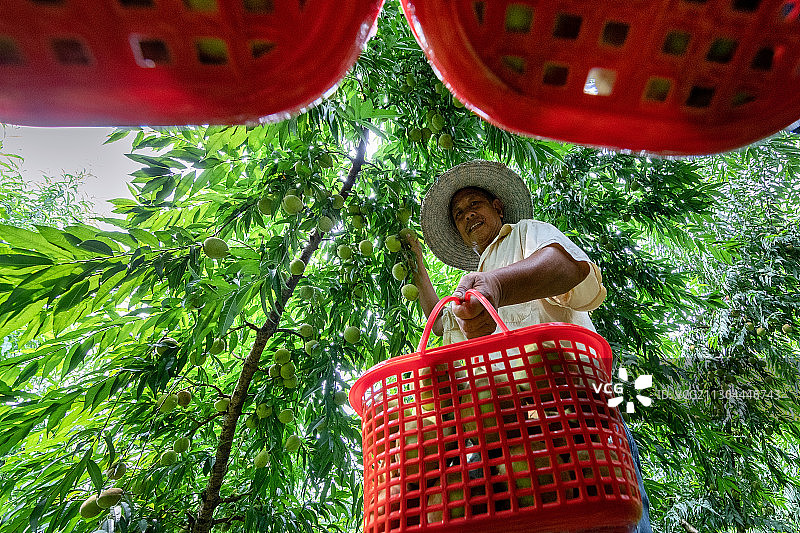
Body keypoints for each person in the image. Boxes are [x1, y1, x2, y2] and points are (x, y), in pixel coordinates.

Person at [405, 160, 653, 533]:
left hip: (573, 419)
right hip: (501, 445)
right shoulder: (465, 286)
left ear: (497, 207)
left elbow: (568, 267)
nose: (468, 215)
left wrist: (498, 287)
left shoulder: (525, 235)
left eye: (474, 204)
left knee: (606, 515)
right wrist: (418, 271)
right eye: (458, 214)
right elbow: (441, 325)